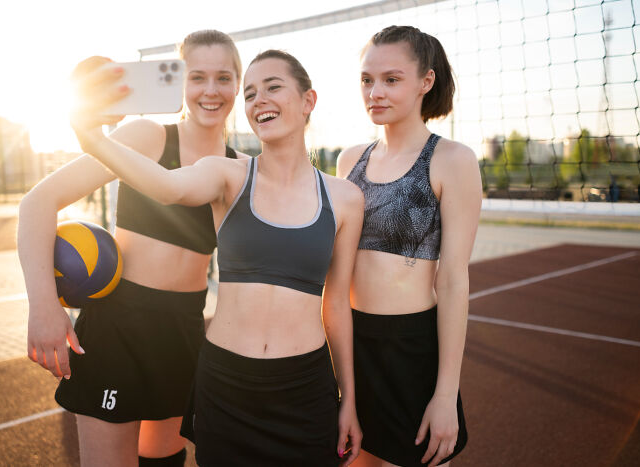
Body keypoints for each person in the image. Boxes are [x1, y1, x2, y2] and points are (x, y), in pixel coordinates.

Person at [68, 49, 364, 466]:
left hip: (304, 388)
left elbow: (336, 305)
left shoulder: (346, 199)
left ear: (307, 101)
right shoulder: (227, 174)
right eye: (250, 93)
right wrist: (93, 140)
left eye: (274, 87)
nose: (259, 99)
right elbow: (168, 188)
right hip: (226, 386)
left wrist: (348, 398)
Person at [18, 30, 247, 466]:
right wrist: (43, 305)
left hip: (183, 331)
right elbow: (37, 203)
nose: (211, 90)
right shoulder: (148, 136)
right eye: (198, 77)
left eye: (224, 77)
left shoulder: (239, 168)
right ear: (180, 81)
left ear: (238, 83)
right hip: (119, 328)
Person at [336, 25, 482, 467]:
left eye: (391, 79)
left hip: (413, 353)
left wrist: (445, 393)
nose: (375, 92)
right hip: (353, 349)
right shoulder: (349, 160)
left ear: (426, 82)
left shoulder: (452, 160)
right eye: (367, 79)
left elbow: (454, 280)